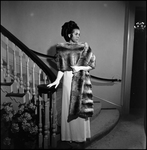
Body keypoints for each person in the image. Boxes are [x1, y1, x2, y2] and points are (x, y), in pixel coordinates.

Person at [47, 21, 96, 143]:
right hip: (68, 80)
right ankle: (69, 137)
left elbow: (92, 65)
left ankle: (81, 136)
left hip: (81, 79)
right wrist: (57, 81)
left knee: (80, 106)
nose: (78, 36)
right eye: (76, 34)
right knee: (69, 105)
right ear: (69, 35)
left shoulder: (84, 47)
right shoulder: (62, 48)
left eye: (79, 33)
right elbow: (61, 68)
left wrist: (79, 68)